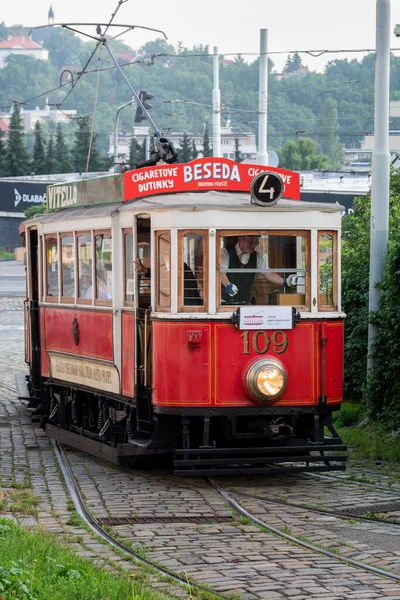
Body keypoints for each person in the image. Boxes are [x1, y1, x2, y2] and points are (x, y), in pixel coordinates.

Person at [220, 235, 284, 304]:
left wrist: (285, 282)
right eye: (250, 243)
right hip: (224, 302)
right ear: (241, 240)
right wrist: (227, 284)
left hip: (246, 302)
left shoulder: (257, 257)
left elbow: (268, 273)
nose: (253, 246)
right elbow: (221, 273)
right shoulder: (225, 252)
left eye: (256, 243)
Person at [135, 258, 202, 306]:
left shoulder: (180, 267)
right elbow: (161, 274)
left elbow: (162, 274)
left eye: (167, 259)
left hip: (189, 307)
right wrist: (144, 270)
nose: (166, 263)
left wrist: (144, 270)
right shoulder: (181, 266)